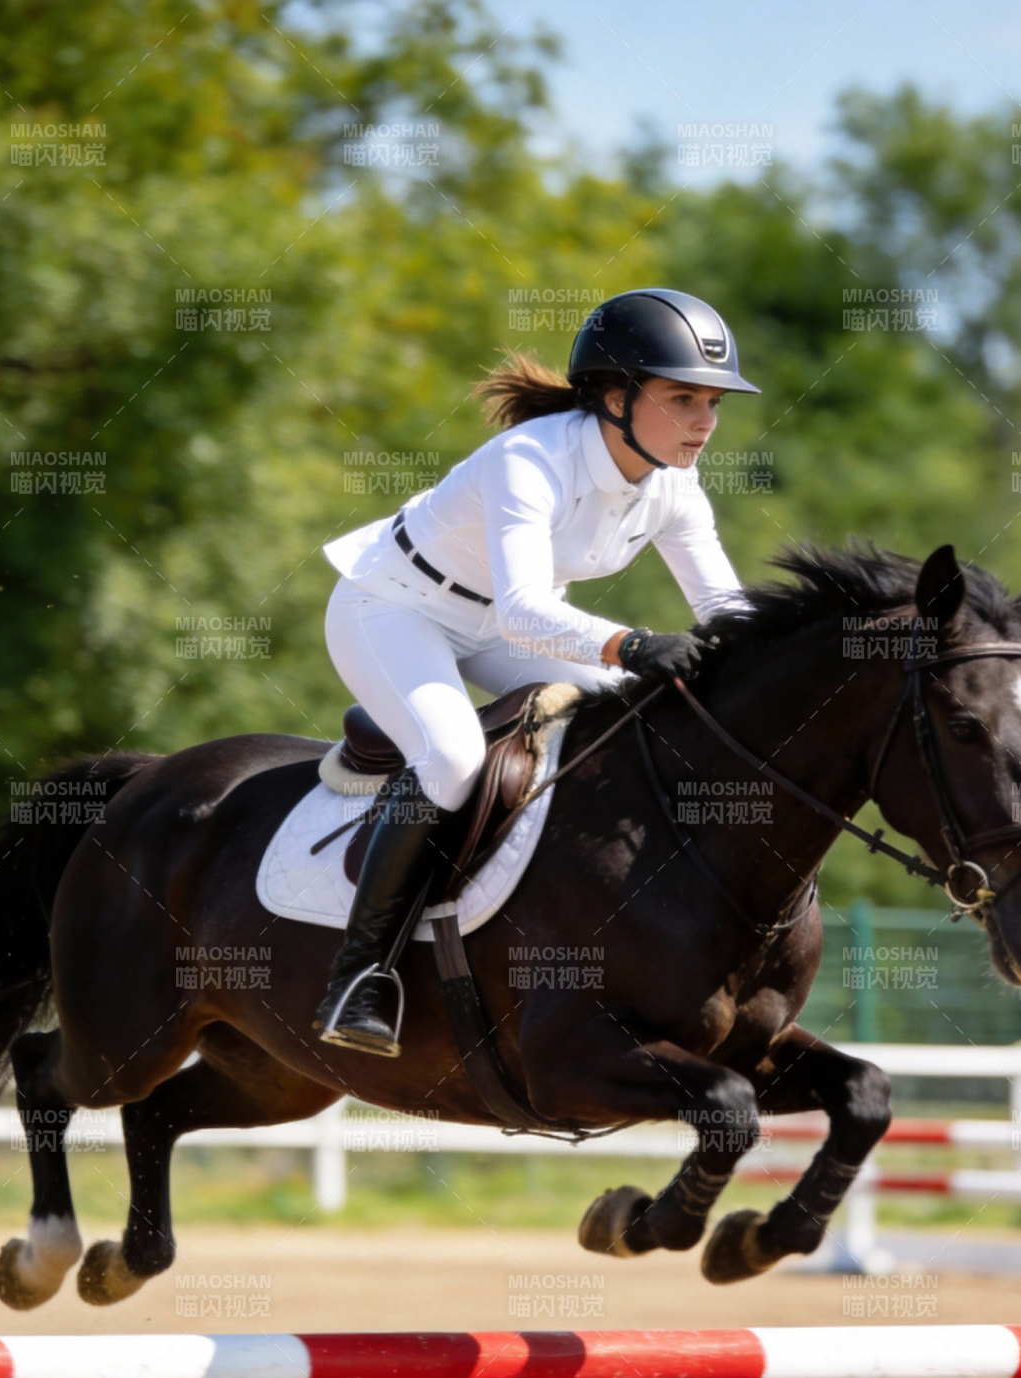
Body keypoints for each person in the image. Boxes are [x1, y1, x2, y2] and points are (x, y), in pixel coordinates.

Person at [314, 288, 760, 1056]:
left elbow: (726, 608)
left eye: (713, 402)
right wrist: (634, 644)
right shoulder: (530, 460)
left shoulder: (674, 485)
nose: (704, 422)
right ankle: (362, 975)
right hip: (394, 607)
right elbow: (525, 611)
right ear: (615, 397)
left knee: (637, 723)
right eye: (683, 398)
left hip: (499, 622)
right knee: (453, 756)